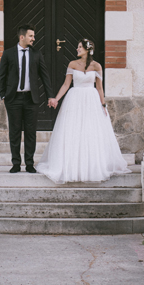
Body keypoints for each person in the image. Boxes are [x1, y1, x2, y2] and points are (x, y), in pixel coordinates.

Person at [36, 38, 130, 183]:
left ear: (87, 49)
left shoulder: (97, 66)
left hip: (91, 100)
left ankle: (91, 167)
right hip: (74, 99)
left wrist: (103, 105)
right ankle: (71, 166)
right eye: (78, 47)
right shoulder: (72, 64)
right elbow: (66, 84)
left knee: (90, 131)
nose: (77, 49)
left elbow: (99, 87)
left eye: (80, 47)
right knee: (73, 131)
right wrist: (56, 99)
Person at [0, 24, 53, 173]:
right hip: (13, 99)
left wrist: (50, 96)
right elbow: (2, 76)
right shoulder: (8, 54)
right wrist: (3, 94)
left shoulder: (36, 54)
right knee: (14, 132)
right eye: (31, 36)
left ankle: (29, 163)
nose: (34, 39)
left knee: (30, 132)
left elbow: (44, 76)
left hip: (31, 99)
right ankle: (16, 163)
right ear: (22, 37)